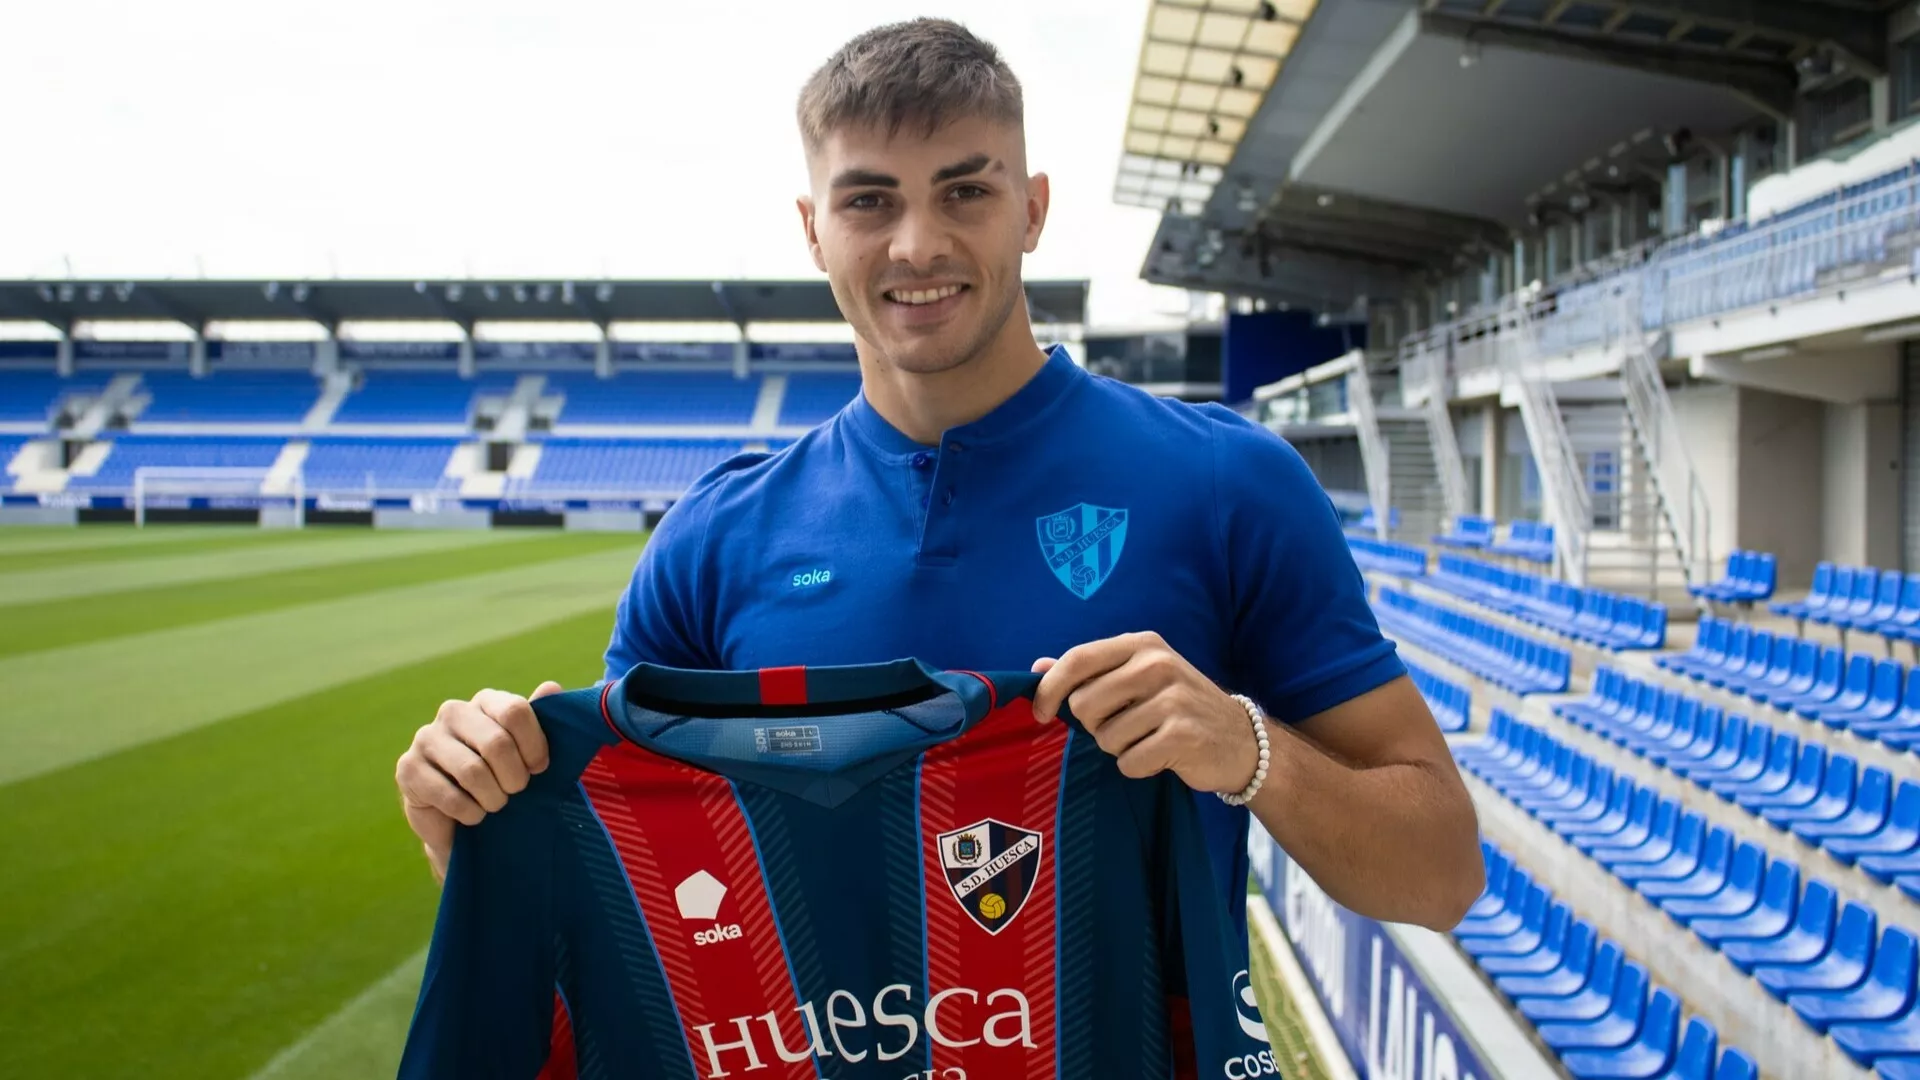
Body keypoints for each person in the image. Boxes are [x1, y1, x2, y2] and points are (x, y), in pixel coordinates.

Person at [395, 17, 1483, 936]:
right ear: (813, 230)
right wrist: (473, 827)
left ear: (1033, 208)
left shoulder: (1227, 482)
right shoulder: (716, 537)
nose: (917, 243)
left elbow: (1442, 876)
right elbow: (618, 919)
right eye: (869, 201)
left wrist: (1249, 749)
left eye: (965, 190)